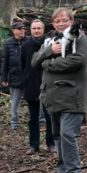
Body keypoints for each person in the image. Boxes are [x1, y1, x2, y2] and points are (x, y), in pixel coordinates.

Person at [32, 7, 87, 173]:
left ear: (71, 21)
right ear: (53, 23)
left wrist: (49, 63)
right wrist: (49, 51)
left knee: (67, 134)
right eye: (58, 21)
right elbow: (35, 62)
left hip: (71, 97)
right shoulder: (50, 41)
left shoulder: (79, 38)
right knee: (57, 135)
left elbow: (78, 60)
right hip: (52, 97)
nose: (61, 23)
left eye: (65, 20)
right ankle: (63, 172)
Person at [20, 19, 55, 155]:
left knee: (49, 117)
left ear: (43, 29)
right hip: (30, 84)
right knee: (33, 118)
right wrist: (25, 80)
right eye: (34, 28)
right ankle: (34, 145)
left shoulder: (49, 43)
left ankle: (51, 143)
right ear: (31, 30)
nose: (36, 31)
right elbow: (22, 65)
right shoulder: (25, 45)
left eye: (39, 28)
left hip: (46, 84)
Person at [1, 21, 28, 129]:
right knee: (15, 103)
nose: (22, 30)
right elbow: (5, 61)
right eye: (19, 28)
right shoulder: (8, 43)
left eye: (23, 28)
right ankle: (14, 123)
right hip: (14, 77)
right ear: (13, 31)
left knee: (34, 101)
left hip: (28, 78)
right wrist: (4, 77)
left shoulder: (29, 41)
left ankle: (38, 120)